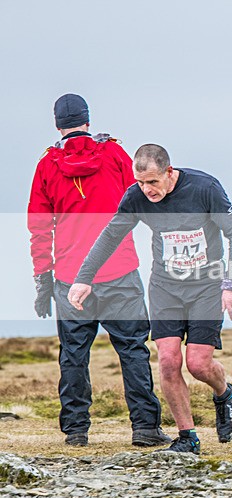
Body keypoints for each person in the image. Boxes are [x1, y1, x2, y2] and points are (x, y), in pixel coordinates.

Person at [68, 144, 232, 454]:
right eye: (140, 182)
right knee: (167, 361)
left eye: (153, 182)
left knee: (198, 364)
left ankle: (224, 393)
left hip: (205, 287)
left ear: (169, 172)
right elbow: (111, 236)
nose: (147, 189)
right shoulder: (136, 197)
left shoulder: (205, 188)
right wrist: (84, 278)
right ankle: (187, 437)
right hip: (165, 288)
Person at [27, 94, 170, 448]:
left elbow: (39, 227)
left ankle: (76, 431)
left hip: (70, 277)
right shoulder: (115, 155)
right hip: (120, 270)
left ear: (58, 125)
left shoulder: (47, 165)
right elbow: (145, 199)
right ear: (87, 122)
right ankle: (145, 429)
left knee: (73, 355)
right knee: (134, 349)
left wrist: (43, 281)